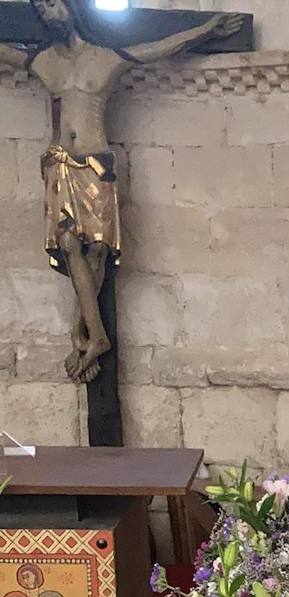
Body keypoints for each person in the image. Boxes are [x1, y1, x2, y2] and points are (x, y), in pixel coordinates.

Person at [0, 0, 242, 383]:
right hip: (61, 163)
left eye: (53, 5)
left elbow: (160, 47)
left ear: (73, 9)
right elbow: (6, 54)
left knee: (97, 249)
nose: (48, 14)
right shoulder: (45, 61)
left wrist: (207, 29)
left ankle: (82, 330)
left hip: (97, 163)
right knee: (67, 243)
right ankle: (95, 335)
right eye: (42, 9)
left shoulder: (107, 58)